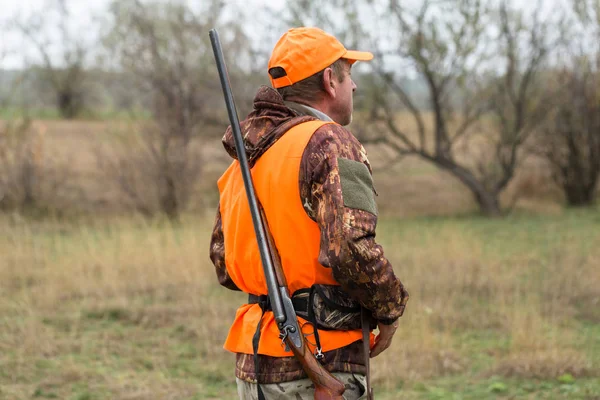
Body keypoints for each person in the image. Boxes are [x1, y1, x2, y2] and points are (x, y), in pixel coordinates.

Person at [209, 27, 409, 400]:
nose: (354, 88)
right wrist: (391, 308)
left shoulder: (247, 159)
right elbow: (351, 247)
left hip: (255, 367)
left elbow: (223, 262)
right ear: (330, 80)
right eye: (349, 75)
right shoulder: (328, 140)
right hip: (321, 359)